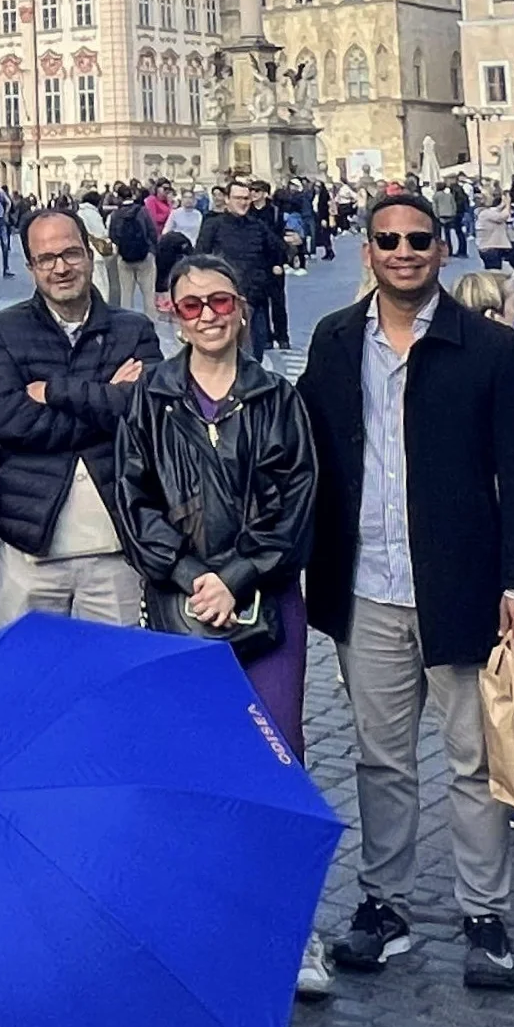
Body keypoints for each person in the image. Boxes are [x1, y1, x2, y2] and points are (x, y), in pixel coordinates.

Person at [298, 191, 514, 994]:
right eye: (388, 240)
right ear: (366, 252)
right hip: (365, 584)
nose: (403, 252)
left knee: (474, 759)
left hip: (463, 584)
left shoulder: (487, 346)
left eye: (418, 240)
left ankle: (484, 911)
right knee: (380, 758)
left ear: (442, 250)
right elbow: (302, 450)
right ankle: (385, 902)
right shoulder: (336, 340)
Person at [117, 248, 320, 756]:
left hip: (265, 601)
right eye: (192, 306)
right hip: (179, 598)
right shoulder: (151, 397)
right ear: (175, 316)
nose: (208, 315)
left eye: (219, 301)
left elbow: (297, 501)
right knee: (190, 749)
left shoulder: (277, 396)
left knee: (275, 747)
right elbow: (133, 497)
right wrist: (190, 574)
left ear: (241, 308)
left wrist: (236, 578)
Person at [0, 202, 157, 626]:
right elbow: (8, 421)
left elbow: (146, 416)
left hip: (116, 544)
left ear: (90, 254)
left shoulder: (133, 329)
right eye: (46, 259)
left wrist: (57, 392)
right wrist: (106, 399)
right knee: (29, 681)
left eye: (70, 253)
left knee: (111, 683)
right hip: (33, 544)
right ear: (31, 267)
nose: (60, 268)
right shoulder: (6, 330)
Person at [208, 176, 291, 351]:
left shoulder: (258, 225)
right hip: (226, 300)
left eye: (246, 198)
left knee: (257, 349)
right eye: (238, 198)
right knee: (235, 351)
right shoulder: (213, 225)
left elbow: (278, 248)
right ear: (227, 199)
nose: (243, 202)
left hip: (256, 297)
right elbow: (201, 258)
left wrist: (288, 250)